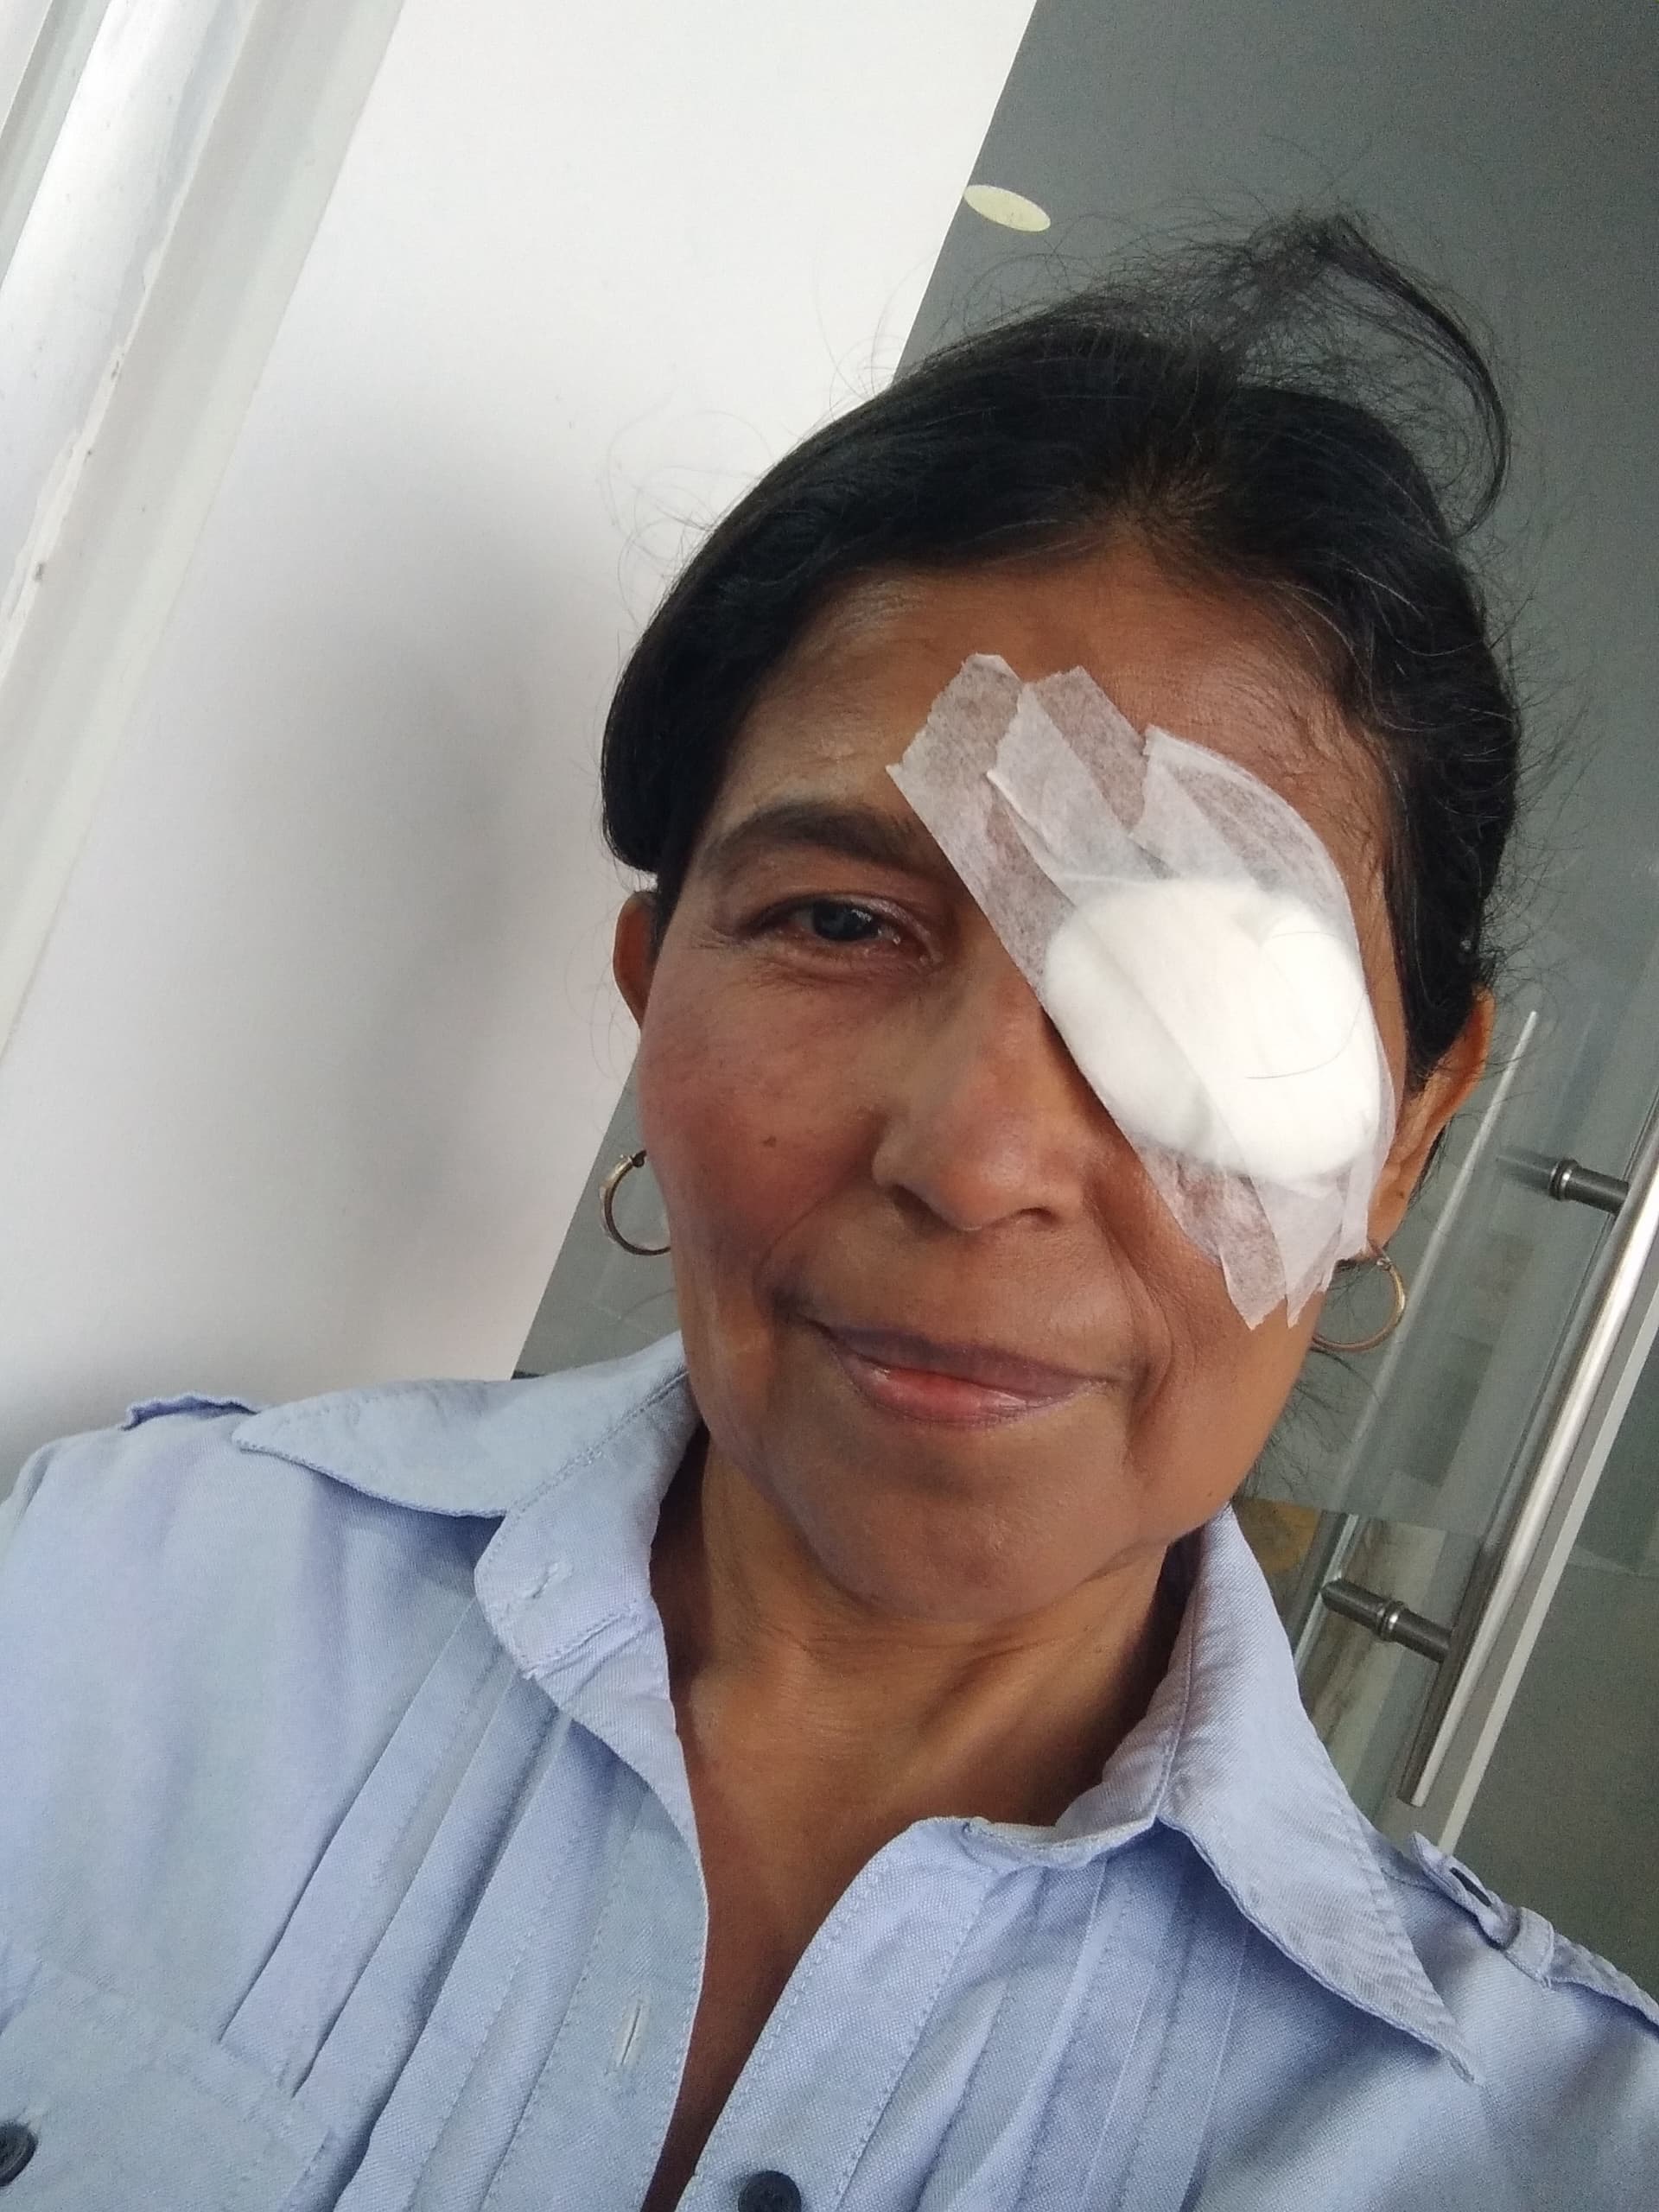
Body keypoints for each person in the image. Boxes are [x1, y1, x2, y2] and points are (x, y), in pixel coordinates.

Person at [0, 213, 1653, 2212]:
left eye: (1209, 991)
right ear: (651, 989)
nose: (975, 1155)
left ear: (1407, 1131)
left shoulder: (1541, 2150)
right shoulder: (109, 1605)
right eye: (841, 922)